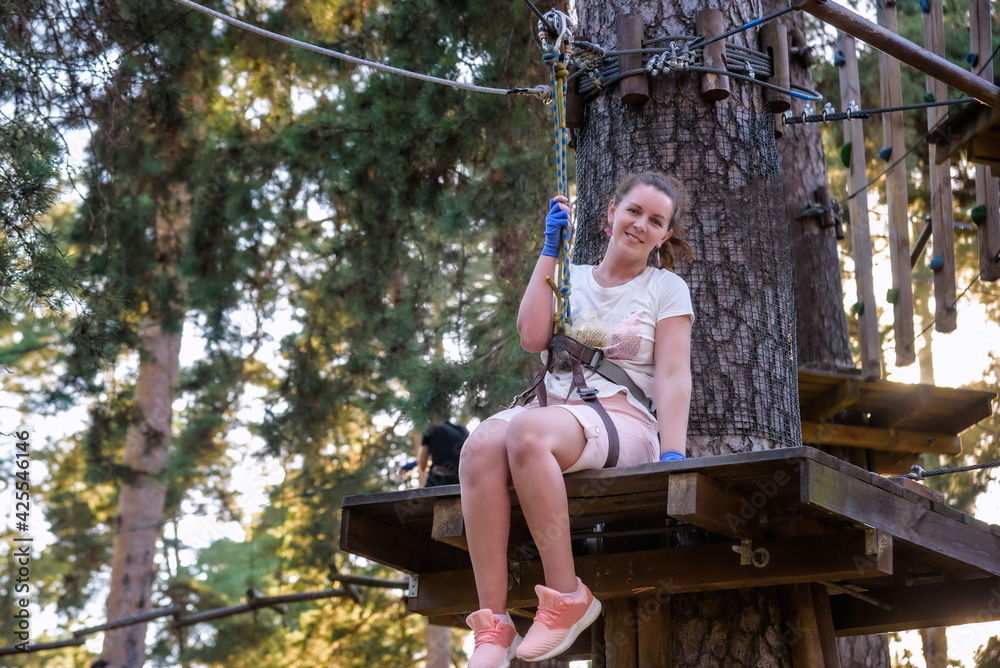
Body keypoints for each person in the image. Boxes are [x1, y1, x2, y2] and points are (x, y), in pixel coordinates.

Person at [458, 171, 694, 667]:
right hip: (552, 410)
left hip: (621, 418)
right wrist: (551, 249)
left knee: (524, 431)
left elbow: (673, 373)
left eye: (656, 221)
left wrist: (674, 450)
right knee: (479, 445)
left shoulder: (665, 288)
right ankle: (492, 627)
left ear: (664, 236)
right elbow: (531, 336)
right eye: (633, 211)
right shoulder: (570, 276)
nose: (641, 225)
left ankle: (567, 597)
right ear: (610, 213)